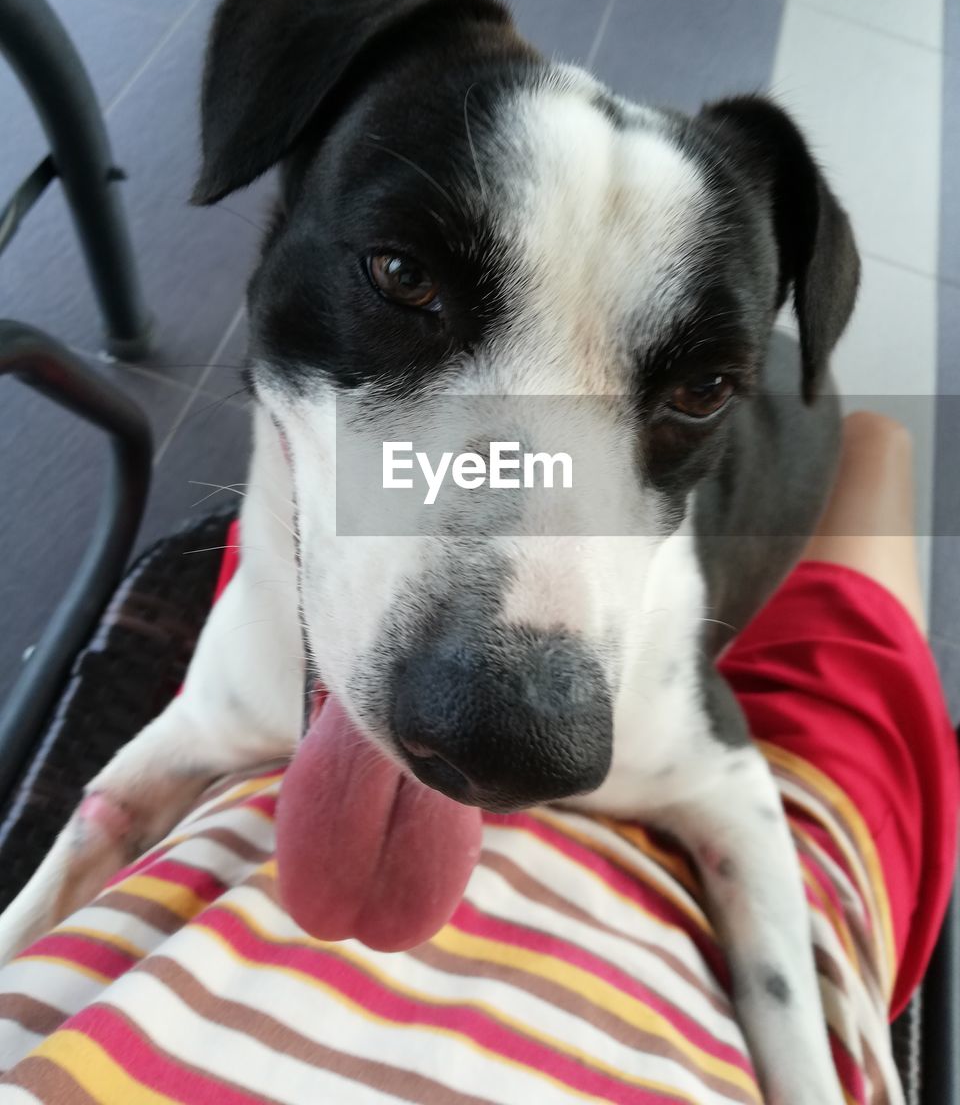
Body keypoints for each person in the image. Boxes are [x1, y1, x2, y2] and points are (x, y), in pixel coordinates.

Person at [0, 413, 956, 1104]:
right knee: (869, 492)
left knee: (330, 505)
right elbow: (732, 788)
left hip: (218, 840)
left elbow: (140, 785)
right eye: (407, 282)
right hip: (682, 878)